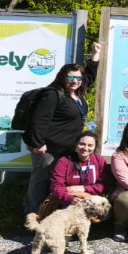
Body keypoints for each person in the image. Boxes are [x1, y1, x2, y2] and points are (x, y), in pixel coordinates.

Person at [24, 42, 100, 214]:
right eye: (71, 77)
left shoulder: (77, 93)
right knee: (41, 179)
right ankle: (33, 214)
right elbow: (39, 120)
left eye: (78, 78)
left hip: (65, 148)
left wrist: (95, 56)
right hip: (47, 148)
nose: (75, 81)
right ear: (62, 77)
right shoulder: (53, 94)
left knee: (56, 181)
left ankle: (50, 211)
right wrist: (38, 143)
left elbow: (89, 77)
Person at [49, 131, 111, 208]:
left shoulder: (99, 160)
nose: (85, 148)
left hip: (93, 200)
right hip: (69, 200)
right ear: (76, 145)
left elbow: (105, 184)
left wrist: (84, 188)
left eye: (90, 145)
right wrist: (70, 199)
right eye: (82, 144)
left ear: (95, 147)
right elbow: (56, 186)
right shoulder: (64, 161)